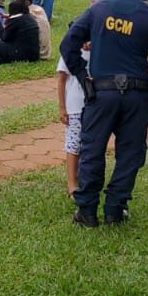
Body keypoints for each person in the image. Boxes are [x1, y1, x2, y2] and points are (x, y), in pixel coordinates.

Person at [60, 0, 148, 227]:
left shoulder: (98, 9)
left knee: (92, 150)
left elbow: (68, 44)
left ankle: (87, 211)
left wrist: (83, 77)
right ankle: (115, 208)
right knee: (130, 153)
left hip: (101, 93)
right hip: (137, 95)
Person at [56, 42, 90, 197]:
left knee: (89, 144)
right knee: (73, 145)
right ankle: (71, 182)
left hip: (94, 107)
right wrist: (62, 107)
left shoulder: (100, 52)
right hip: (75, 108)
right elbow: (61, 80)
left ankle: (84, 177)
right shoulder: (70, 52)